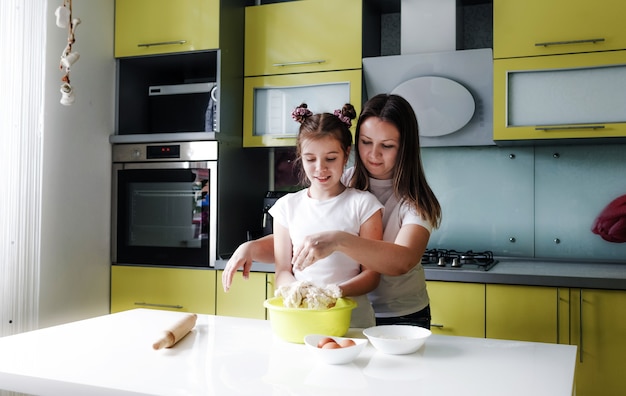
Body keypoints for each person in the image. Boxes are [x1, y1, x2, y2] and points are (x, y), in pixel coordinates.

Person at [222, 94, 442, 329]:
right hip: (336, 311)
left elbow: (403, 260)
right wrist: (251, 247)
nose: (373, 154)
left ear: (404, 148)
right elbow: (304, 240)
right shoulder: (341, 179)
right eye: (366, 142)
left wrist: (339, 241)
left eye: (387, 146)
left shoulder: (415, 201)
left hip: (400, 314)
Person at [271, 103, 383, 328]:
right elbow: (283, 270)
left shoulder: (364, 205)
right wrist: (300, 292)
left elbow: (372, 275)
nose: (320, 168)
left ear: (346, 154)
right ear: (300, 156)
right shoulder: (286, 207)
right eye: (310, 159)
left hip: (353, 321)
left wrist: (333, 293)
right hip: (301, 317)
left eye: (330, 158)